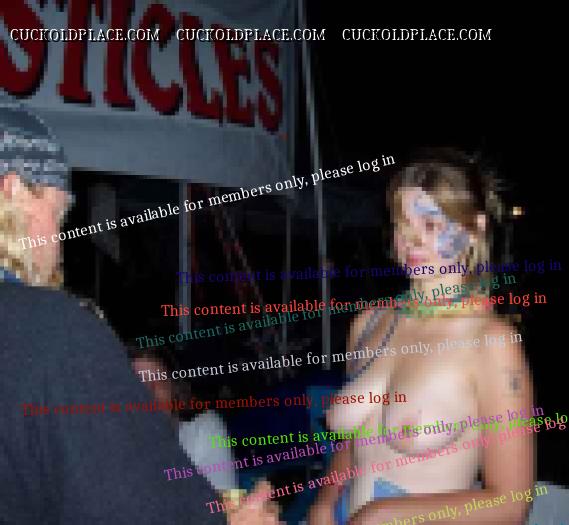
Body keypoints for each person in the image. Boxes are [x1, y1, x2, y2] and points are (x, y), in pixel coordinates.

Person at [0, 94, 278, 524]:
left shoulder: (200, 431)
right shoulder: (51, 331)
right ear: (12, 190)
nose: (58, 244)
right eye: (56, 214)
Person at [308, 148, 534, 525]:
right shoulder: (368, 323)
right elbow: (354, 444)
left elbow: (512, 505)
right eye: (402, 225)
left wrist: (379, 516)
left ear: (474, 228)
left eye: (430, 225)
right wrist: (324, 503)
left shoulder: (492, 342)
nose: (411, 241)